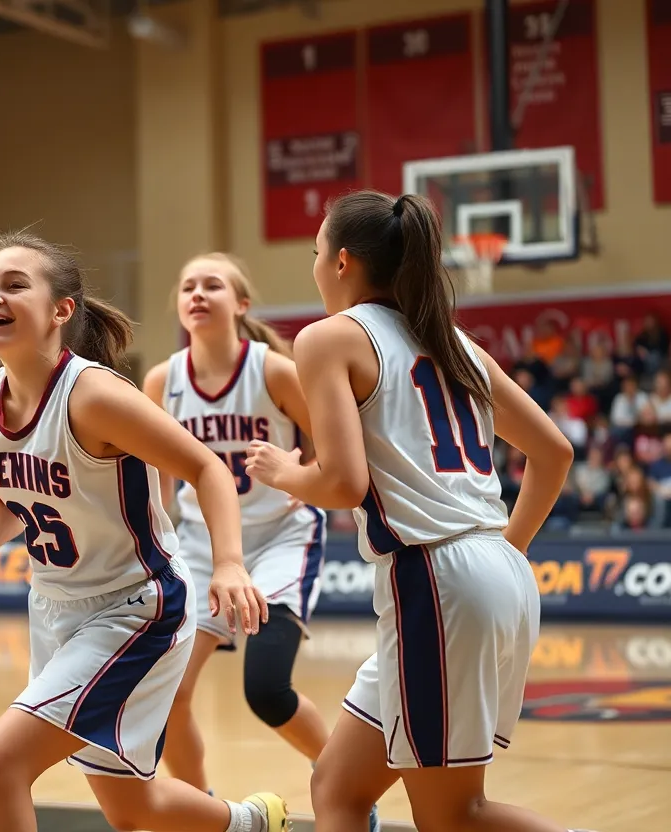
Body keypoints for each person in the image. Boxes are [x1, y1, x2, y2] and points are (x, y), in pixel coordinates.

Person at [245, 191, 582, 832]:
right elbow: (554, 452)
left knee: (455, 816)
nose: (315, 267)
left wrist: (285, 470)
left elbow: (342, 482)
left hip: (435, 580)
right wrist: (508, 550)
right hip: (489, 572)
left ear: (342, 262)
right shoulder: (455, 343)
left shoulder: (327, 338)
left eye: (316, 253)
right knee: (337, 786)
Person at [0, 231, 287, 832]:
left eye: (16, 285)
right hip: (54, 607)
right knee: (133, 808)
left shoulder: (94, 395)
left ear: (61, 310)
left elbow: (207, 468)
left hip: (136, 607)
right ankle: (252, 823)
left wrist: (228, 561)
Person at [143, 253, 376, 826]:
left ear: (240, 304)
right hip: (200, 544)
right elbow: (153, 474)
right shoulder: (162, 381)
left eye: (212, 285)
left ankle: (348, 791)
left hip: (280, 535)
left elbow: (332, 439)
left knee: (266, 689)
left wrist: (309, 474)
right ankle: (205, 815)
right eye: (188, 286)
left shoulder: (272, 370)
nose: (197, 294)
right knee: (166, 696)